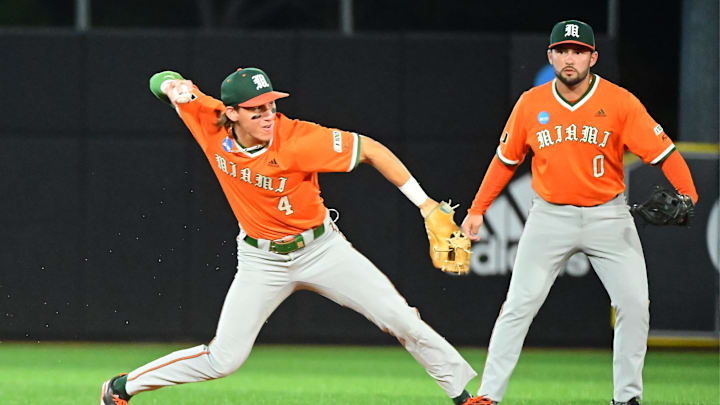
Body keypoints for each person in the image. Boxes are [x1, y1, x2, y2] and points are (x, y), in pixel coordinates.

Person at [100, 67, 485, 405]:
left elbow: (372, 150)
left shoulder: (299, 139)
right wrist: (172, 87)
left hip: (322, 250)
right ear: (231, 113)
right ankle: (121, 388)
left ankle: (463, 398)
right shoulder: (208, 118)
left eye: (270, 105)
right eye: (256, 110)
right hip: (260, 260)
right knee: (224, 359)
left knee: (401, 318)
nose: (268, 115)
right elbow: (158, 80)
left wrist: (426, 205)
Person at [461, 20, 698, 405]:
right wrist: (476, 209)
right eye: (563, 50)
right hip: (549, 218)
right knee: (518, 305)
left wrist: (689, 195)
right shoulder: (531, 103)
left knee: (635, 305)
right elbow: (505, 160)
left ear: (593, 57)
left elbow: (664, 152)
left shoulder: (620, 102)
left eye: (578, 51)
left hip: (609, 216)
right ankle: (488, 396)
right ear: (550, 55)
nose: (570, 58)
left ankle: (627, 399)